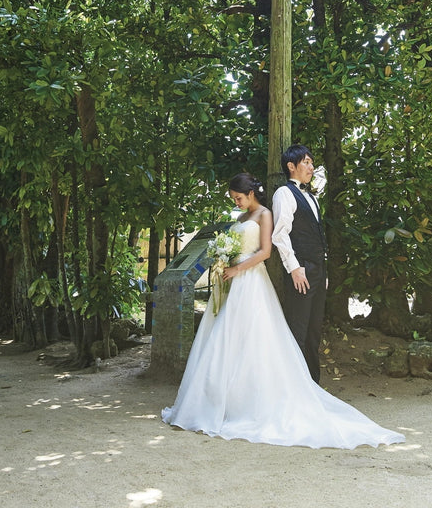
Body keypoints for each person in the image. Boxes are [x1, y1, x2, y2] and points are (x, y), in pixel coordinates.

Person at [161, 172, 405, 448]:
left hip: (251, 281)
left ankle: (252, 400)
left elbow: (266, 252)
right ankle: (219, 401)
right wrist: (223, 260)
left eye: (239, 198)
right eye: (234, 199)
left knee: (256, 337)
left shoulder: (265, 214)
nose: (237, 203)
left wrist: (237, 268)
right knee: (225, 337)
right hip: (232, 283)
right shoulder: (240, 219)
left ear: (251, 193)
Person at [271, 144, 326, 382]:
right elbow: (280, 235)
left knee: (315, 330)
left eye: (312, 162)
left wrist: (324, 272)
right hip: (300, 269)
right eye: (306, 162)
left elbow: (317, 236)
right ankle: (295, 387)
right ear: (291, 166)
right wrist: (294, 268)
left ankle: (313, 384)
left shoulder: (312, 198)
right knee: (298, 329)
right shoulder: (283, 193)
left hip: (318, 270)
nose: (311, 167)